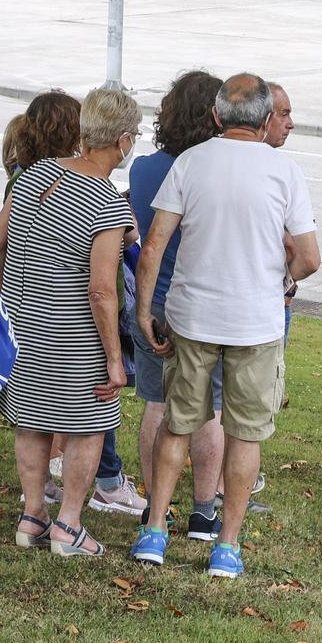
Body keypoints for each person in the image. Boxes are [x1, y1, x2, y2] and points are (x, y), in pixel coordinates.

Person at [132, 75, 320, 579]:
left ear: (217, 117)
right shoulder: (284, 171)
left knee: (178, 423)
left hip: (192, 318)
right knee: (245, 434)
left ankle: (154, 530)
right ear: (263, 121)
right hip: (256, 323)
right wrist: (284, 281)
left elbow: (152, 248)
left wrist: (144, 311)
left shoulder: (190, 163)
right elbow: (309, 258)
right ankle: (226, 545)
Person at [0, 87, 140, 559]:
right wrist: (115, 359)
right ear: (124, 141)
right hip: (72, 334)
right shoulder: (107, 202)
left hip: (22, 325)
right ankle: (68, 525)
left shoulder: (36, 174)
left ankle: (32, 515)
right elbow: (101, 291)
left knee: (31, 422)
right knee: (89, 425)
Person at [127, 72, 227, 540]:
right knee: (209, 407)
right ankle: (204, 509)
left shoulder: (144, 169)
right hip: (203, 302)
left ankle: (156, 507)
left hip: (154, 297)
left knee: (154, 402)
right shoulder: (213, 171)